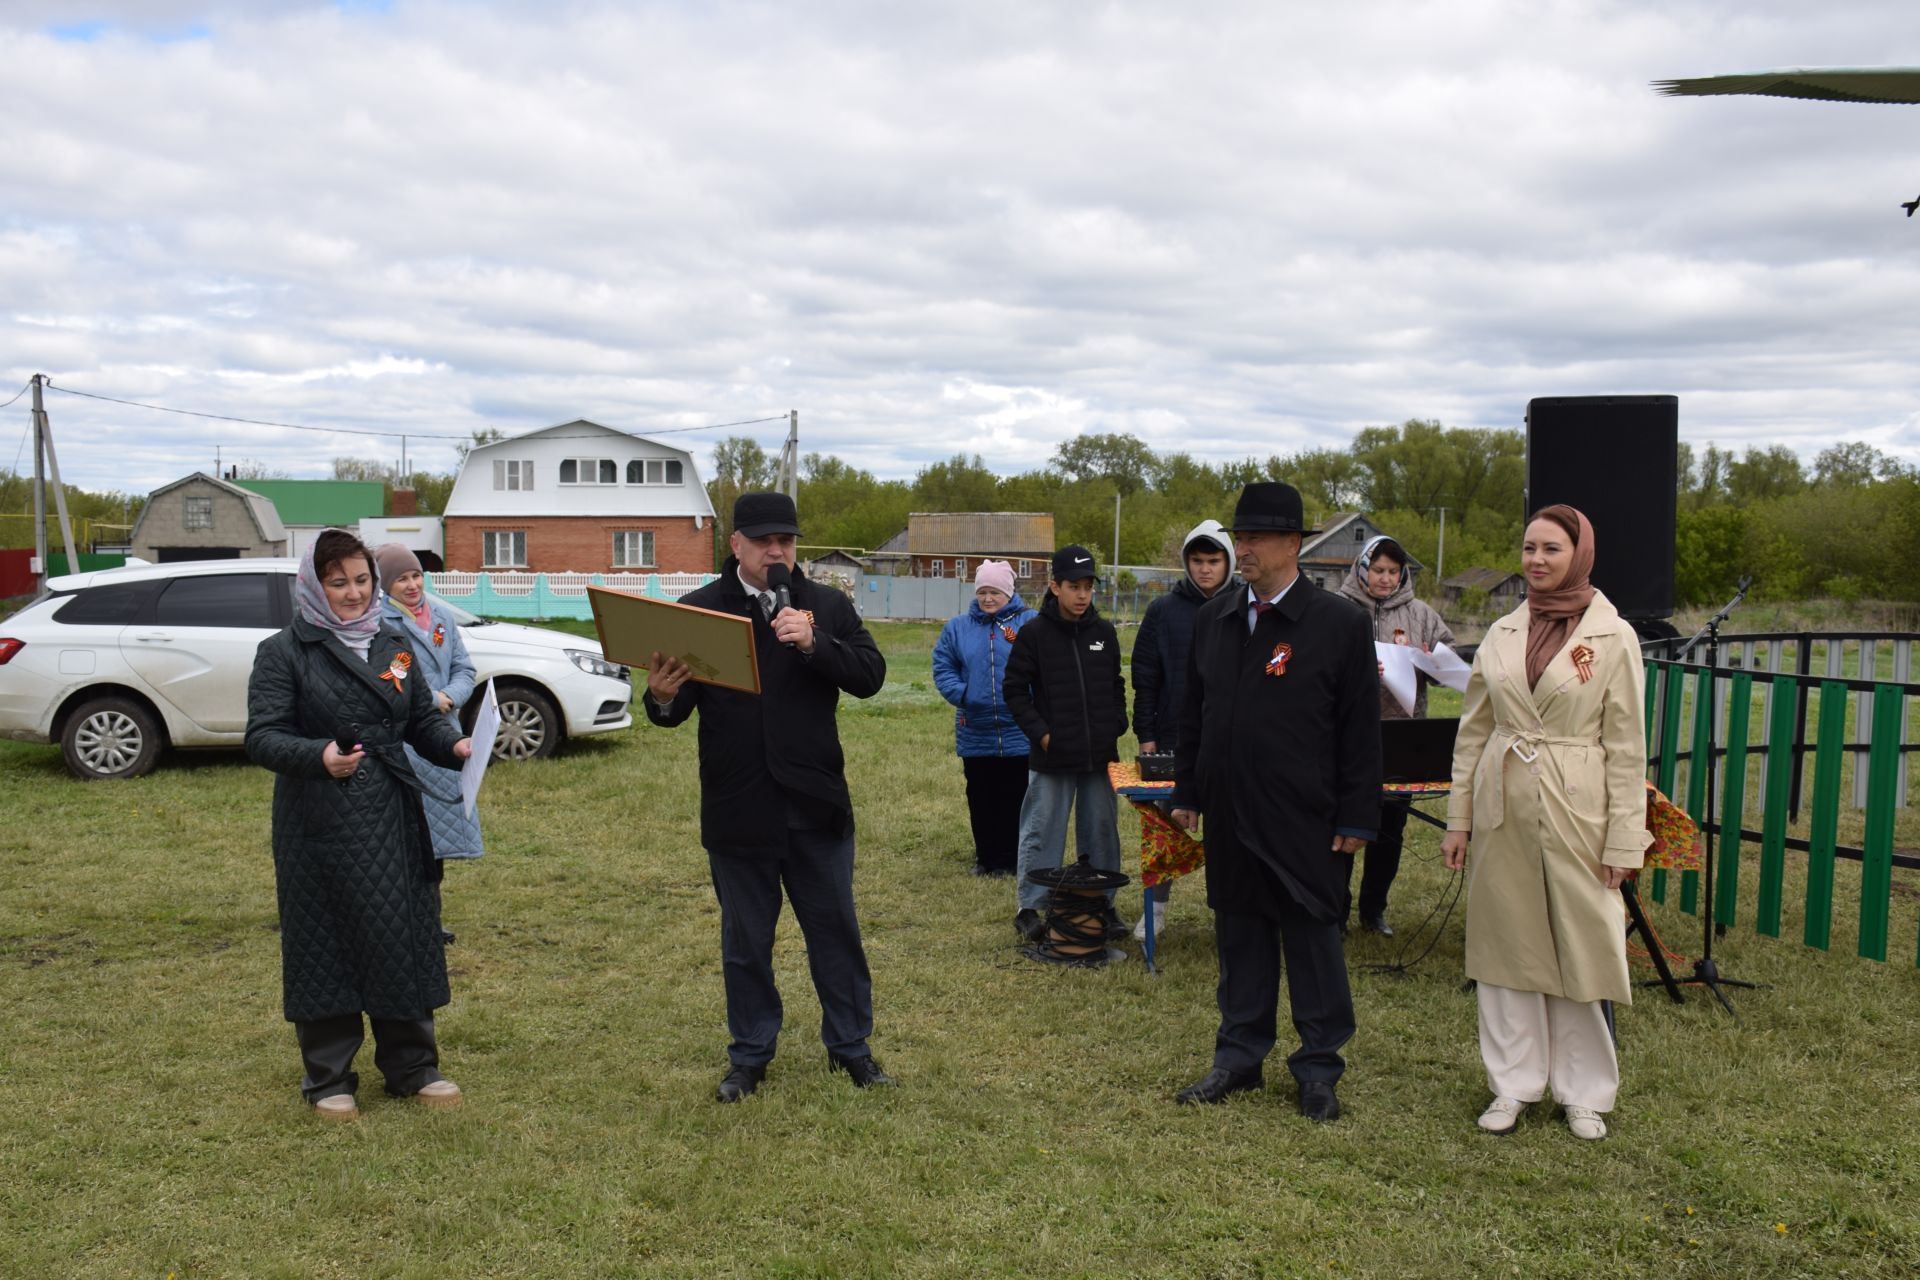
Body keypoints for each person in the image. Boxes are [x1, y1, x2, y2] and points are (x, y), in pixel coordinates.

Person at [642, 492, 891, 1102]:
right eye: (762, 541)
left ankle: (850, 1047)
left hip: (815, 803)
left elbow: (870, 676)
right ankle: (750, 1054)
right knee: (746, 943)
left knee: (834, 932)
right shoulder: (700, 612)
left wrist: (814, 643)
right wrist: (662, 695)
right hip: (739, 805)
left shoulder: (826, 605)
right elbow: (671, 714)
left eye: (786, 540)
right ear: (736, 546)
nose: (776, 551)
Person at [245, 528, 474, 1120]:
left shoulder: (394, 643)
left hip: (394, 815)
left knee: (402, 936)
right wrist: (318, 756)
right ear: (315, 585)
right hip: (318, 822)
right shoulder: (286, 651)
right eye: (338, 581)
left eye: (362, 580)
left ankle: (413, 1068)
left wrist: (456, 746)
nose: (352, 593)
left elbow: (421, 717)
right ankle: (328, 1078)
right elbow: (263, 736)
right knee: (328, 944)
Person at [1169, 482, 1381, 1122]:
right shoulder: (1216, 619)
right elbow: (1195, 715)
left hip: (1306, 817)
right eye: (1241, 537)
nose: (1246, 548)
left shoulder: (1339, 623)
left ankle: (1318, 1069)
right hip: (1232, 812)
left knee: (1312, 941)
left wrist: (1356, 814)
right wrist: (1188, 788)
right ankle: (1238, 1058)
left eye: (1258, 537)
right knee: (1241, 939)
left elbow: (1359, 729)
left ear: (1294, 544)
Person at [1440, 505, 1649, 1141]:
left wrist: (1623, 839)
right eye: (1529, 548)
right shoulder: (1502, 631)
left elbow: (1628, 746)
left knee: (1584, 944)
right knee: (1507, 947)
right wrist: (1459, 818)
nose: (1536, 560)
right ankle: (1512, 1083)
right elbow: (1473, 732)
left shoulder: (1614, 637)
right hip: (1503, 800)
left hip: (1578, 802)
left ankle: (1584, 1092)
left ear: (1579, 555)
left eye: (1551, 549)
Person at [1002, 544, 1129, 944]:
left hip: (1099, 757)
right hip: (1053, 758)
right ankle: (1031, 906)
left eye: (1088, 586)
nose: (1082, 595)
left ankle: (1102, 904)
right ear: (1055, 586)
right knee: (1042, 830)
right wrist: (1043, 734)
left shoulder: (1104, 633)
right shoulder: (1034, 634)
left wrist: (1116, 724)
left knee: (1101, 831)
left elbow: (1115, 685)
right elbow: (1014, 690)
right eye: (1074, 586)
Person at [1335, 535, 1454, 937]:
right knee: (1344, 823)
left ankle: (1374, 909)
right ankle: (1336, 909)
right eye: (1378, 570)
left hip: (1403, 737)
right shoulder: (1338, 609)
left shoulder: (1421, 613)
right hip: (1346, 736)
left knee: (1390, 828)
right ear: (1361, 568)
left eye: (1392, 572)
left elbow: (1449, 661)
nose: (1384, 579)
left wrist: (1429, 660)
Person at [1130, 519, 1235, 937]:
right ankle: (1155, 911)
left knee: (1231, 831)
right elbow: (1145, 676)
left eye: (1213, 560)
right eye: (1197, 560)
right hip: (1174, 739)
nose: (1205, 569)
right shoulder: (1162, 610)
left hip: (1231, 738)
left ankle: (1232, 914)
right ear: (1185, 563)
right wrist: (1147, 736)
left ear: (1228, 562)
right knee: (1166, 827)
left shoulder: (1248, 605)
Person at [376, 544, 485, 864]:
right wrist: (427, 700)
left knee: (444, 819)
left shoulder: (442, 616)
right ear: (385, 586)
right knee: (413, 825)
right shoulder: (381, 623)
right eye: (401, 580)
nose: (412, 585)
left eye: (416, 576)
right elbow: (387, 677)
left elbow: (463, 668)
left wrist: (450, 697)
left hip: (447, 727)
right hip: (411, 736)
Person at [932, 560, 1037, 877]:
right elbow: (943, 666)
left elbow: (1046, 662)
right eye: (982, 592)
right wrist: (963, 694)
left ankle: (1016, 859)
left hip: (1020, 730)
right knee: (981, 797)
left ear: (1009, 592)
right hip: (975, 729)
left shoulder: (1029, 623)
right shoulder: (957, 628)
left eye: (995, 592)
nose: (988, 598)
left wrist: (1031, 698)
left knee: (1017, 797)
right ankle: (987, 858)